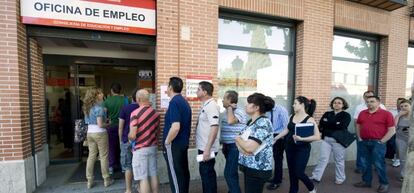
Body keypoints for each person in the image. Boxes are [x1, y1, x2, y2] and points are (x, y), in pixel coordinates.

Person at [273, 96, 320, 193]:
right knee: (292, 172)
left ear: (302, 105)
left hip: (302, 149)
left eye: (295, 103)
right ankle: (293, 190)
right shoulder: (291, 116)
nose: (293, 105)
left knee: (299, 172)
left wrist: (302, 139)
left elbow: (317, 137)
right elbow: (286, 130)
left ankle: (311, 188)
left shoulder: (309, 119)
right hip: (289, 147)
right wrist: (275, 138)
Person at [353, 96, 395, 193]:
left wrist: (382, 141)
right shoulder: (362, 113)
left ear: (378, 102)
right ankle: (366, 181)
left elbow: (392, 130)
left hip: (378, 143)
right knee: (364, 163)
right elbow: (358, 125)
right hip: (364, 142)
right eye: (367, 102)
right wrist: (359, 137)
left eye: (372, 101)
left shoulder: (386, 114)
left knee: (379, 164)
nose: (369, 103)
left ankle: (384, 183)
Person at [235, 93, 274, 193]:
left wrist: (238, 139)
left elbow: (249, 148)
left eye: (248, 103)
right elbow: (243, 147)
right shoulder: (251, 122)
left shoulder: (263, 123)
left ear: (256, 107)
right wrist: (243, 146)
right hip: (249, 166)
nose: (245, 105)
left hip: (257, 169)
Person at [310, 97, 351, 184]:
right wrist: (334, 123)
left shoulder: (346, 115)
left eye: (339, 103)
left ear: (343, 105)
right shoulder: (327, 113)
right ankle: (316, 176)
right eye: (335, 102)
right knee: (322, 159)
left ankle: (340, 178)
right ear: (332, 104)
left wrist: (328, 123)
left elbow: (342, 126)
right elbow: (321, 124)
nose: (336, 104)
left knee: (339, 160)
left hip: (338, 141)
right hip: (326, 140)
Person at [163, 77, 192, 193]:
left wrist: (167, 141)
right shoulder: (184, 101)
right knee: (183, 173)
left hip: (174, 145)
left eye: (167, 85)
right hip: (182, 144)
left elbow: (175, 127)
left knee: (175, 175)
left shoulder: (174, 102)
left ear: (170, 87)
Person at [128, 89, 160, 193]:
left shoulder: (135, 113)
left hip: (140, 149)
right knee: (153, 174)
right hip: (153, 147)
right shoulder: (155, 113)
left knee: (143, 177)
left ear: (138, 99)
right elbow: (157, 131)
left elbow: (132, 135)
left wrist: (129, 137)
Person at [83, 88, 113, 189]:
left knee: (91, 156)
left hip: (90, 133)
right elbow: (100, 124)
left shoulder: (87, 108)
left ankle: (89, 180)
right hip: (100, 133)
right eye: (100, 93)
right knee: (103, 156)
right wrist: (108, 123)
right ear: (96, 96)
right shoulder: (99, 108)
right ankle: (106, 179)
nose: (102, 94)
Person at [220, 90, 248, 193]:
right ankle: (234, 190)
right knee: (232, 172)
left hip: (235, 147)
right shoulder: (226, 112)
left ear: (230, 100)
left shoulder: (239, 111)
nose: (222, 100)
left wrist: (230, 108)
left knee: (228, 173)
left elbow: (231, 121)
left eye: (224, 98)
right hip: (227, 146)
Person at [195, 81, 220, 193]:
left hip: (207, 147)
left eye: (198, 89)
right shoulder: (206, 105)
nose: (196, 91)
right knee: (207, 173)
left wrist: (207, 149)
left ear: (205, 92)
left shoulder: (212, 106)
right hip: (204, 146)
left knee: (207, 174)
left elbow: (214, 128)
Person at [353, 91, 386, 173]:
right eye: (366, 96)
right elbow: (356, 121)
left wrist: (383, 138)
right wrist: (358, 134)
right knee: (361, 152)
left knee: (377, 154)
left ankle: (377, 169)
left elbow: (385, 122)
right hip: (362, 134)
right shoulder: (359, 107)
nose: (368, 98)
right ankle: (360, 167)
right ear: (363, 97)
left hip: (377, 136)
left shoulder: (382, 107)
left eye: (370, 96)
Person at [118, 89, 139, 193]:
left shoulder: (124, 108)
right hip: (140, 141)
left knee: (128, 166)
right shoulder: (142, 108)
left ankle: (128, 189)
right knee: (139, 165)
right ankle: (140, 187)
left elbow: (120, 127)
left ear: (132, 98)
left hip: (126, 140)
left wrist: (120, 140)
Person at [265, 101, 289, 190]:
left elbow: (286, 126)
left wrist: (278, 137)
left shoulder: (281, 110)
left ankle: (277, 181)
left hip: (281, 136)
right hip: (272, 135)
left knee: (278, 158)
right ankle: (277, 177)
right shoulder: (269, 110)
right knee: (276, 158)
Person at [103, 82, 126, 174]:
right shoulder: (125, 100)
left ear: (111, 90)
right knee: (122, 146)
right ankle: (123, 165)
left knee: (111, 147)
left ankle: (111, 166)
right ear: (120, 90)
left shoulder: (107, 101)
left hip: (111, 126)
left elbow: (104, 114)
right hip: (123, 126)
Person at [395, 99, 411, 181]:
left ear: (411, 106)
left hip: (412, 139)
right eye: (401, 106)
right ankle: (403, 175)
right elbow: (393, 127)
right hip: (401, 139)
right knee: (403, 158)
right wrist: (398, 116)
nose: (403, 108)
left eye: (406, 106)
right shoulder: (399, 116)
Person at [388, 98, 405, 167]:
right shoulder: (391, 111)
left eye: (401, 103)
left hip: (403, 132)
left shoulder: (408, 111)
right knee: (393, 144)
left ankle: (397, 159)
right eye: (398, 102)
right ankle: (396, 157)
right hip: (394, 130)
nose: (399, 104)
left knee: (399, 146)